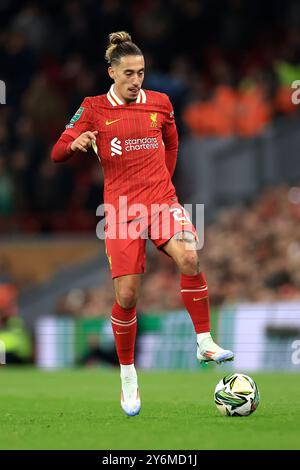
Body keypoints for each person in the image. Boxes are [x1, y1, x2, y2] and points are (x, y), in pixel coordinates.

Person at [51, 31, 234, 417]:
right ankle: (129, 375)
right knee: (128, 297)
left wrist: (163, 186)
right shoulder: (93, 108)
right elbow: (56, 153)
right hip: (120, 212)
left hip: (161, 202)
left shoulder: (161, 104)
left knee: (190, 257)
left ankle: (204, 340)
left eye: (142, 72)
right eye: (129, 73)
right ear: (112, 73)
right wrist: (76, 142)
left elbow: (172, 143)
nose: (137, 80)